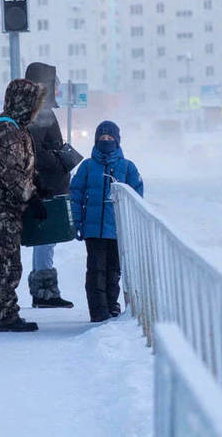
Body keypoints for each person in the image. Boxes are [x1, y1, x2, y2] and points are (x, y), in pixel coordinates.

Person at [0, 79, 47, 332]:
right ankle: (3, 316)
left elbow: (21, 168)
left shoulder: (17, 128)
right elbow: (10, 172)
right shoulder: (7, 131)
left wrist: (36, 186)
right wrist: (30, 196)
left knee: (7, 261)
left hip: (4, 207)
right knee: (3, 263)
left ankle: (3, 312)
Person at [69, 121, 143, 323]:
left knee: (113, 271)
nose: (106, 141)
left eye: (110, 138)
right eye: (102, 138)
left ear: (117, 141)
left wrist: (132, 226)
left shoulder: (127, 167)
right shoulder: (87, 166)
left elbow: (136, 198)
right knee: (95, 271)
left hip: (118, 230)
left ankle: (112, 306)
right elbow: (75, 195)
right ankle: (98, 311)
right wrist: (76, 222)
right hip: (93, 230)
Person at [23, 62, 75, 309]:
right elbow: (35, 149)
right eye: (54, 83)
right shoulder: (38, 112)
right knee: (46, 238)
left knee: (47, 239)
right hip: (46, 185)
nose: (58, 88)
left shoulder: (37, 110)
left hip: (48, 184)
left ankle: (44, 290)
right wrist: (59, 160)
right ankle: (44, 292)